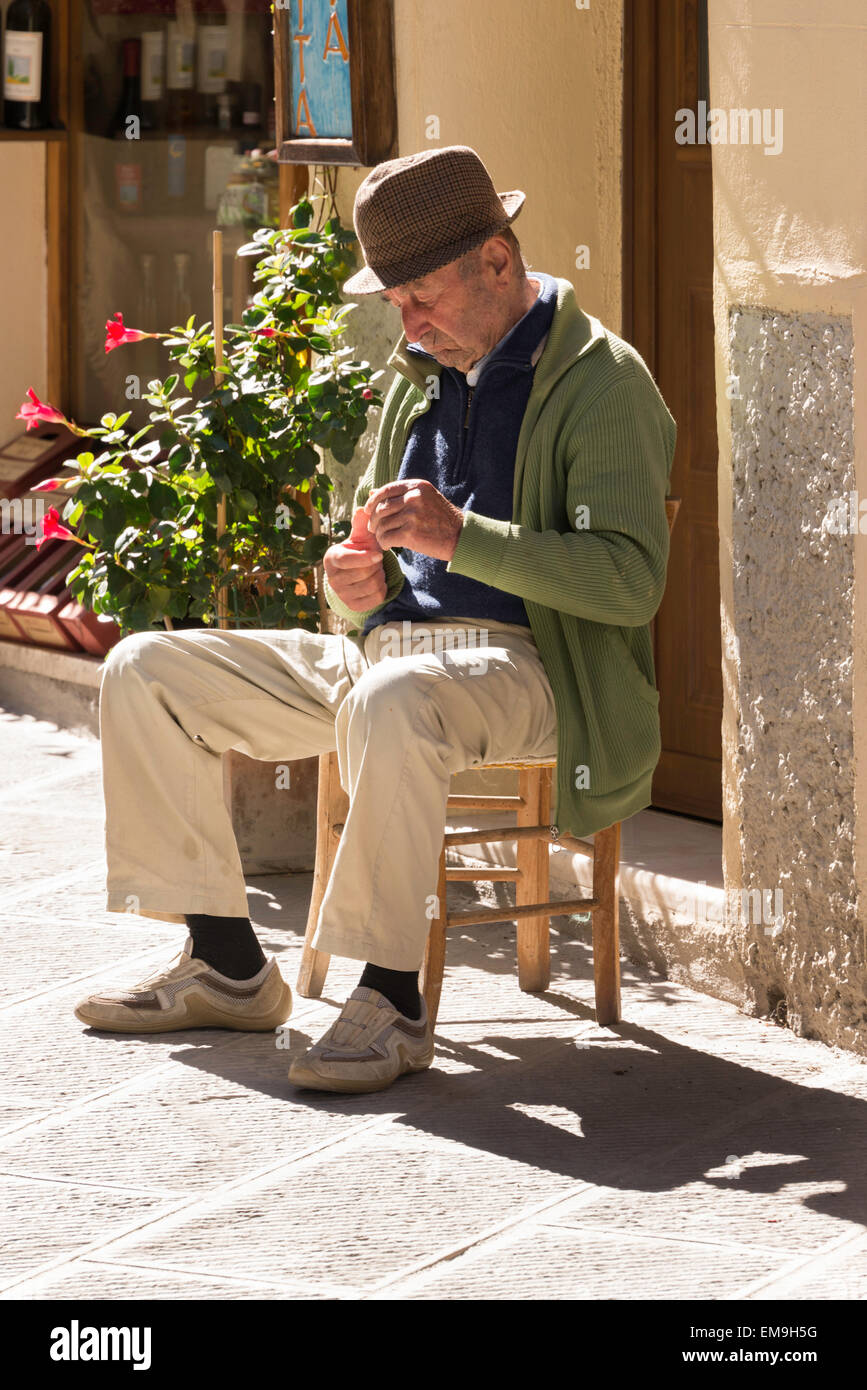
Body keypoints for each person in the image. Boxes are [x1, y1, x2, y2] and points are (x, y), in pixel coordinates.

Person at [74, 145, 676, 1095]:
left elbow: (629, 583)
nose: (410, 320)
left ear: (498, 259)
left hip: (536, 669)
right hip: (394, 657)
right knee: (145, 668)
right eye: (394, 301)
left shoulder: (603, 383)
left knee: (397, 696)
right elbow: (381, 562)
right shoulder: (416, 376)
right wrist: (354, 586)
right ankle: (228, 966)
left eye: (423, 294)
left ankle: (391, 999)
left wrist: (462, 537)